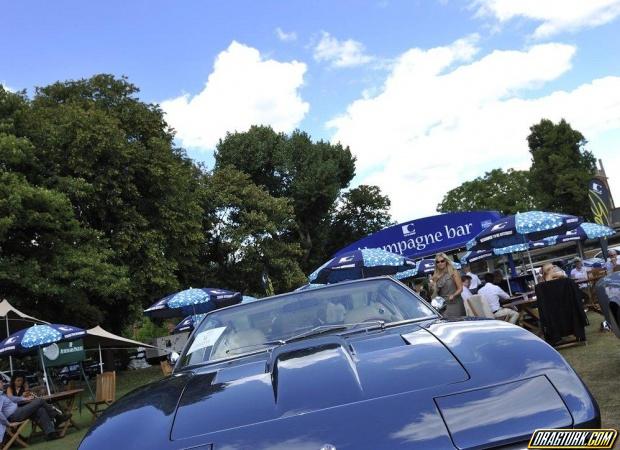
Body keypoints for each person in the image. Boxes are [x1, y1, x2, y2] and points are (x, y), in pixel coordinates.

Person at [0, 379, 70, 442]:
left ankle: (50, 434)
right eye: (0, 382)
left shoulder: (2, 394)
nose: (2, 384)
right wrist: (8, 423)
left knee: (40, 410)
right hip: (15, 415)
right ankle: (57, 417)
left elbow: (12, 399)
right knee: (40, 400)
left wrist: (24, 398)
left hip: (18, 411)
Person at [429, 253, 465, 318]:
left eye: (442, 261)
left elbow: (460, 288)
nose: (440, 263)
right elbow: (434, 294)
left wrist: (453, 295)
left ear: (446, 261)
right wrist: (432, 285)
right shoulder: (435, 276)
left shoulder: (453, 272)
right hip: (443, 305)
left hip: (455, 303)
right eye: (438, 262)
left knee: (458, 323)